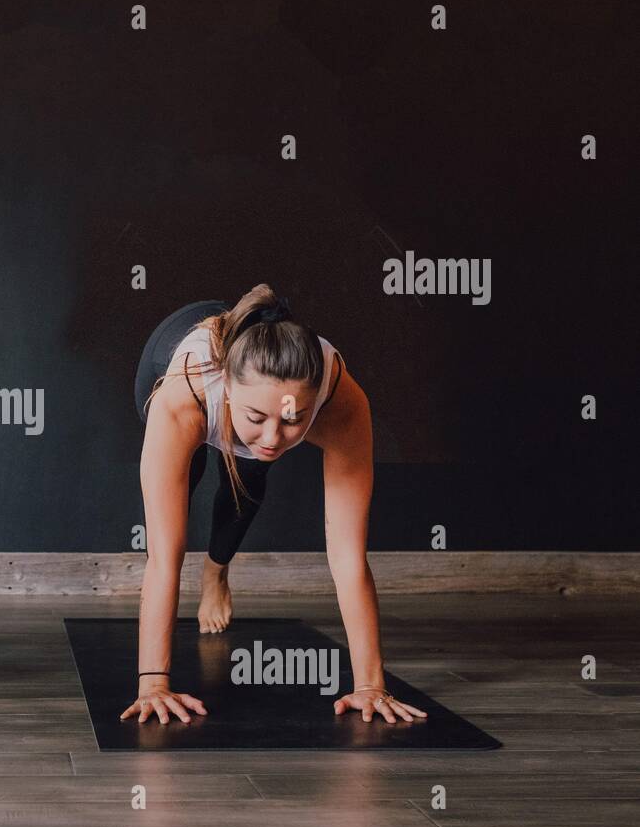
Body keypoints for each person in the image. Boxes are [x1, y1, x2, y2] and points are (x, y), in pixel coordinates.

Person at [124, 283, 427, 726]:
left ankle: (217, 569)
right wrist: (153, 683)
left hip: (255, 357)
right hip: (169, 358)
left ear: (316, 398)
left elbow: (347, 557)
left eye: (292, 420)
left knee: (248, 477)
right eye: (256, 418)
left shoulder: (342, 401)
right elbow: (162, 562)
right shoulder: (182, 397)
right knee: (179, 506)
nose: (272, 438)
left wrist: (370, 686)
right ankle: (239, 427)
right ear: (227, 387)